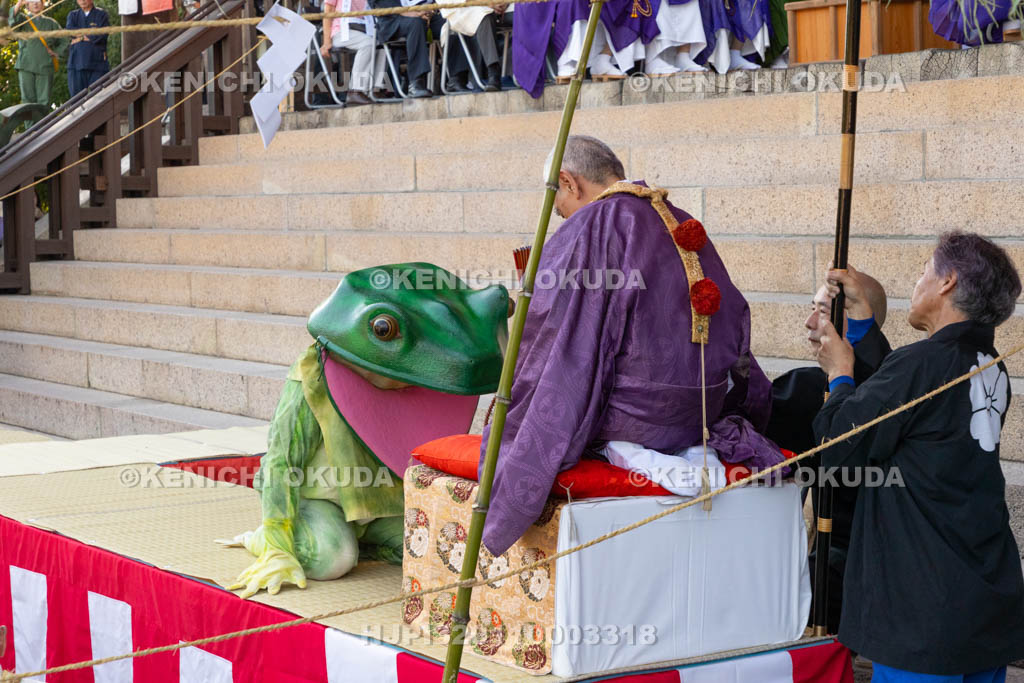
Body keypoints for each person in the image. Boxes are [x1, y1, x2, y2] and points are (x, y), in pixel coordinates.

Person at [479, 135, 782, 555]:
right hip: (701, 414)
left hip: (635, 418)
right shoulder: (678, 218)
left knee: (523, 416)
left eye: (558, 204)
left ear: (568, 182)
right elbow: (734, 321)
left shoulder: (591, 226)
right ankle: (680, 452)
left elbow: (556, 338)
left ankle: (622, 450)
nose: (560, 216)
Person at [813, 231, 1024, 681]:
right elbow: (908, 404)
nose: (917, 280)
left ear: (946, 282)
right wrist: (864, 325)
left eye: (923, 270)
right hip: (978, 602)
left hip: (921, 610)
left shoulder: (925, 364)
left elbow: (838, 451)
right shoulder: (985, 360)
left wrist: (839, 376)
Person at [766, 264, 890, 634]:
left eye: (822, 311)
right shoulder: (806, 386)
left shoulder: (891, 385)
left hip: (864, 565)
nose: (808, 322)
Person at [368, 0, 473, 97]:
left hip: (424, 14)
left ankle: (456, 80)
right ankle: (416, 83)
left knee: (453, 22)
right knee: (416, 24)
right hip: (393, 18)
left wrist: (429, 9)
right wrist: (412, 13)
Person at [320, 0, 386, 106]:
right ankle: (356, 90)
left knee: (381, 45)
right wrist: (326, 41)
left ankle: (374, 90)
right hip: (341, 31)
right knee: (368, 44)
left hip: (363, 29)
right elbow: (328, 10)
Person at [10, 0, 66, 108]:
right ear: (27, 5)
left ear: (43, 4)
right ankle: (31, 126)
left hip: (45, 65)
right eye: (32, 1)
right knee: (27, 101)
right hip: (26, 65)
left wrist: (56, 52)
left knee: (44, 101)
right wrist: (19, 3)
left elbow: (64, 40)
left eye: (38, 1)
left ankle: (44, 125)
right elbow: (12, 19)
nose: (35, 4)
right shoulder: (23, 19)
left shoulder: (51, 23)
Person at [66, 0, 110, 97]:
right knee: (76, 100)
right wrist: (89, 36)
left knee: (100, 97)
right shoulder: (73, 15)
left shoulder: (101, 14)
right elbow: (69, 31)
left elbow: (101, 34)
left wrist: (80, 38)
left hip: (97, 63)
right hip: (76, 63)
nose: (83, 0)